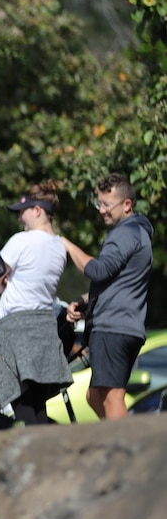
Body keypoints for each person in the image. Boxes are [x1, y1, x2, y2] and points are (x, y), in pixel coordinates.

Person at [0, 181, 73, 427]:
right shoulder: (58, 247)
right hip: (44, 326)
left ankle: (11, 429)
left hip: (18, 327)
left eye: (23, 212)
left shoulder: (22, 241)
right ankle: (47, 446)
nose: (20, 218)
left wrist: (6, 280)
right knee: (34, 402)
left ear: (38, 211)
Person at [62, 172, 153, 420]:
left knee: (112, 397)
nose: (101, 210)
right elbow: (116, 282)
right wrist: (85, 300)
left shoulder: (125, 233)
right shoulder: (135, 233)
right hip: (122, 326)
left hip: (114, 327)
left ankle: (129, 452)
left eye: (106, 205)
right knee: (94, 396)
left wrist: (68, 245)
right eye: (98, 203)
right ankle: (120, 441)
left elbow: (98, 270)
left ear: (127, 205)